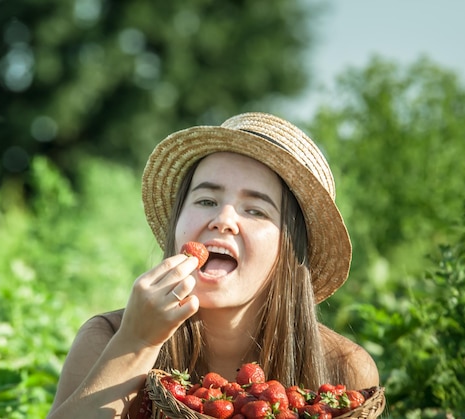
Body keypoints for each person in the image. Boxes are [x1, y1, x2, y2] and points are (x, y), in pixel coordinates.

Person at [47, 112, 380, 418]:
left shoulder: (344, 369)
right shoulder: (106, 339)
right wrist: (136, 344)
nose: (223, 220)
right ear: (177, 222)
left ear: (289, 251)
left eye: (255, 210)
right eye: (206, 201)